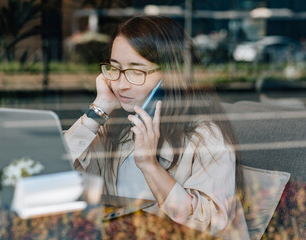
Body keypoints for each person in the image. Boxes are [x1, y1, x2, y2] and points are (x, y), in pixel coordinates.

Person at [63, 15, 249, 239]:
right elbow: (57, 176)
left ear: (171, 74)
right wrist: (99, 109)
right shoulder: (116, 125)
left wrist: (149, 164)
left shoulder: (205, 136)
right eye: (114, 69)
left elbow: (208, 226)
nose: (121, 84)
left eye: (135, 71)